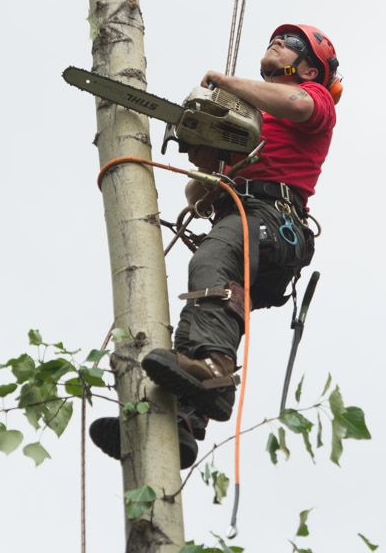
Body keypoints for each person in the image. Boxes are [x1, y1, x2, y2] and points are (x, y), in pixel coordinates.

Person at [90, 25, 341, 468]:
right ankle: (184, 423)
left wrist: (225, 84)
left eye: (292, 45)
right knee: (201, 309)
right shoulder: (252, 117)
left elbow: (297, 105)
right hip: (244, 217)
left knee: (209, 261)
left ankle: (218, 372)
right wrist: (206, 156)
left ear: (309, 68)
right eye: (279, 40)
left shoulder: (312, 98)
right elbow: (198, 194)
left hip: (272, 218)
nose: (279, 43)